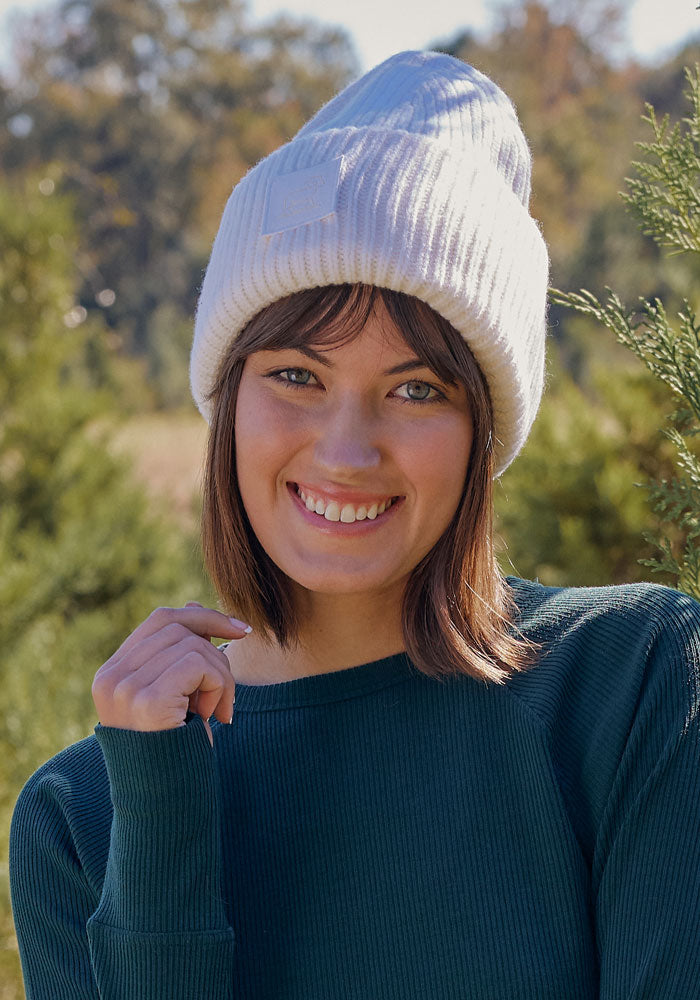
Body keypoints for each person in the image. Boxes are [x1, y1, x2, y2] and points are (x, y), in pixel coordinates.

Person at [9, 49, 700, 1000]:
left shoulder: (635, 684)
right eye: (297, 374)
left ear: (481, 434)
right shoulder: (80, 814)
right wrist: (162, 827)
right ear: (229, 401)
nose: (345, 451)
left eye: (416, 388)